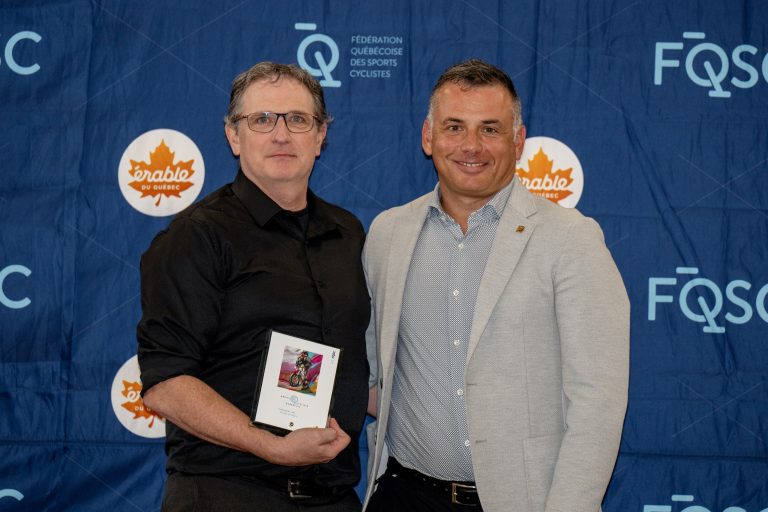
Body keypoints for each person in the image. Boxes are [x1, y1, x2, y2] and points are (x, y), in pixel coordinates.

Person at [362, 59, 630, 512]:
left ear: (518, 140)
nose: (471, 146)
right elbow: (371, 372)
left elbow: (597, 404)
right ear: (428, 137)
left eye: (490, 129)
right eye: (454, 127)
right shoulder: (388, 233)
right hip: (402, 495)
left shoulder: (570, 239)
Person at [137, 62, 370, 511]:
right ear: (233, 135)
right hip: (226, 494)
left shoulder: (348, 233)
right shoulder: (196, 237)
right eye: (262, 119)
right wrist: (271, 445)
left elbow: (356, 360)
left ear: (321, 136)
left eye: (298, 120)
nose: (281, 135)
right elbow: (165, 382)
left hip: (333, 496)